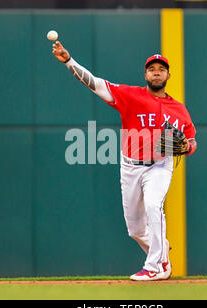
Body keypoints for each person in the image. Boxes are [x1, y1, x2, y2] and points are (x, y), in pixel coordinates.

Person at [52, 41, 197, 281]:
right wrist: (69, 61)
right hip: (131, 166)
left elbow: (191, 139)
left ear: (168, 75)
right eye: (152, 69)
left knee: (153, 206)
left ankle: (155, 266)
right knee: (136, 230)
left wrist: (188, 147)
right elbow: (94, 83)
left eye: (161, 68)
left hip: (160, 165)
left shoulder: (179, 109)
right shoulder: (130, 95)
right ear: (146, 74)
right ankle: (162, 255)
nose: (157, 72)